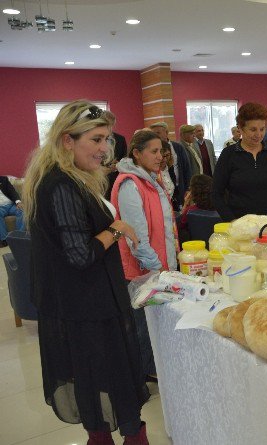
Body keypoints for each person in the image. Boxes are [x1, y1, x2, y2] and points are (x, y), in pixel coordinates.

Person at [21, 100, 150, 444]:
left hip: (88, 302)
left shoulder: (69, 179)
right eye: (95, 139)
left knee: (99, 381)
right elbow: (80, 255)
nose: (105, 149)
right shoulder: (61, 185)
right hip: (87, 307)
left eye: (106, 139)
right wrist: (117, 229)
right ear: (67, 141)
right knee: (110, 380)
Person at [111, 130, 179, 386]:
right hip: (143, 271)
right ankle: (146, 373)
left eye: (161, 151)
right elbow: (135, 236)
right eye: (153, 151)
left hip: (158, 268)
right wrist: (158, 267)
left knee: (153, 325)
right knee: (143, 327)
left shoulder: (151, 179)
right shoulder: (130, 184)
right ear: (136, 153)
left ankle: (152, 368)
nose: (159, 156)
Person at [212, 102, 267, 227]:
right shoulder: (229, 154)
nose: (259, 134)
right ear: (240, 128)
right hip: (240, 227)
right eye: (253, 129)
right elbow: (216, 194)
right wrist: (232, 221)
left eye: (262, 129)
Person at [150, 121, 191, 209]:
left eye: (158, 133)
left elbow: (186, 168)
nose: (155, 136)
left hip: (179, 186)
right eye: (153, 133)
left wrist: (188, 187)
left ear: (166, 132)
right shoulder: (152, 150)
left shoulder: (178, 147)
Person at [0, 175, 24, 247]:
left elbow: (12, 191)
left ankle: (19, 237)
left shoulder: (3, 179)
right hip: (0, 207)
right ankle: (4, 239)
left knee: (22, 211)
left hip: (11, 205)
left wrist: (18, 202)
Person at [159, 140, 178, 210]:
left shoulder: (170, 168)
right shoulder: (153, 172)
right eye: (162, 156)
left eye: (167, 155)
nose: (164, 159)